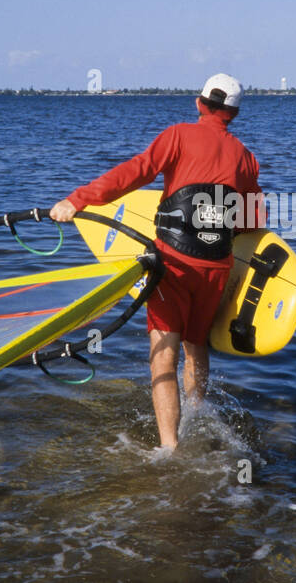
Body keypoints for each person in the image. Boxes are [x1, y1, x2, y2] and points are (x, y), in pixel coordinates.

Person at [50, 74, 263, 450]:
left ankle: (170, 449)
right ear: (233, 114)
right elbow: (252, 219)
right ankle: (197, 416)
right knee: (196, 345)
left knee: (163, 356)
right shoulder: (246, 159)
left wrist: (78, 199)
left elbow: (134, 174)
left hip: (174, 264)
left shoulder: (179, 135)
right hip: (217, 268)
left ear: (199, 103)